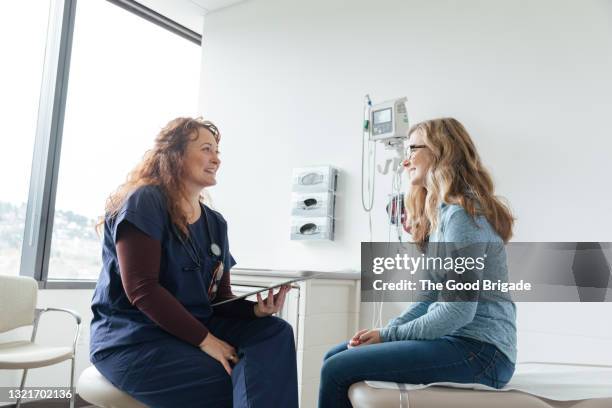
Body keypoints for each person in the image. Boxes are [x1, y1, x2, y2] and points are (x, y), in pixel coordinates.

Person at [90, 117, 298, 408]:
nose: (216, 159)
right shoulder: (145, 202)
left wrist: (255, 310)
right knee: (241, 379)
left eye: (217, 152)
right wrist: (206, 341)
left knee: (276, 332)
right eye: (206, 149)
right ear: (175, 155)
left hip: (195, 328)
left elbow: (219, 299)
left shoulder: (216, 223)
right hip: (135, 338)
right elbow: (142, 289)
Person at [319, 118, 517, 407]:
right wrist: (388, 332)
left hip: (483, 353)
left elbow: (458, 311)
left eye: (413, 149)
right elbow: (427, 300)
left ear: (441, 150)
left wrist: (389, 335)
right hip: (459, 342)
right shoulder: (441, 217)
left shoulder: (462, 216)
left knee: (336, 368)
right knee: (334, 358)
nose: (405, 161)